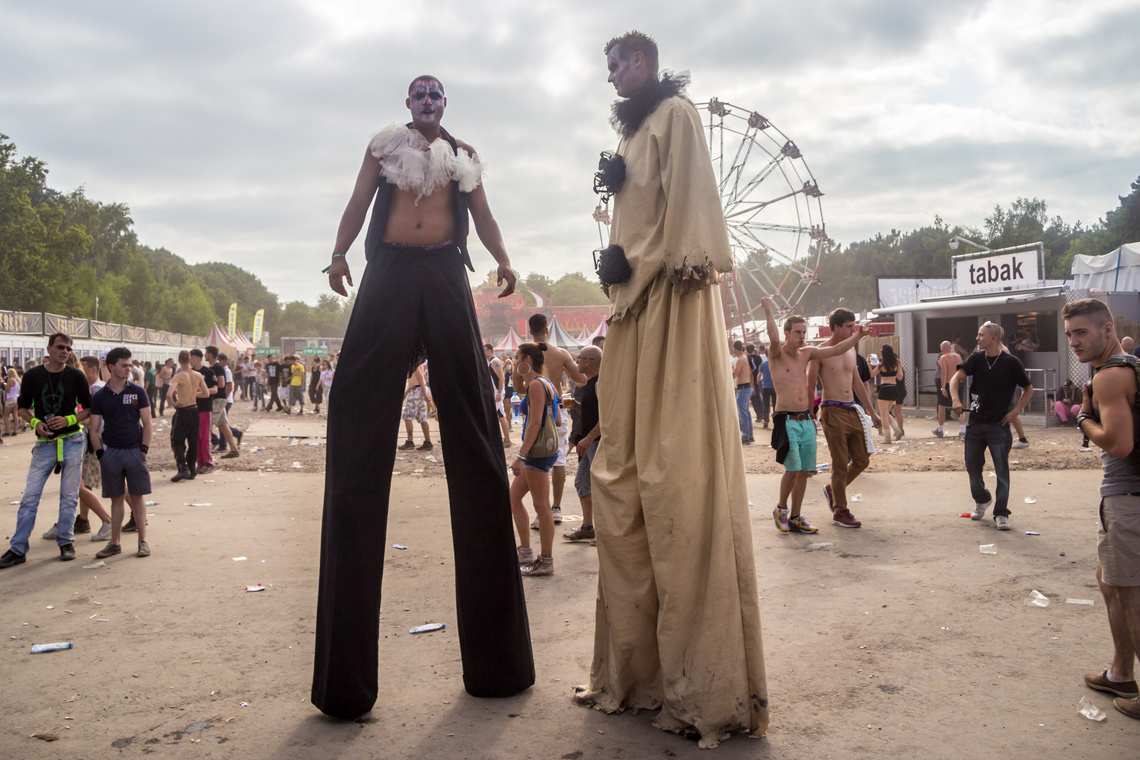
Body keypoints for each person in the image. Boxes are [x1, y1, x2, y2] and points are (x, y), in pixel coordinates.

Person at [312, 73, 534, 719]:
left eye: (436, 95)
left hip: (442, 270)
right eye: (419, 95)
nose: (428, 103)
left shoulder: (462, 156)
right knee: (356, 416)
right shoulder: (384, 147)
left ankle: (498, 667)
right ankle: (344, 684)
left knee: (471, 424)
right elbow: (358, 202)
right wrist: (337, 254)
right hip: (386, 270)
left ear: (445, 104)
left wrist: (505, 259)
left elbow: (485, 215)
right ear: (409, 104)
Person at [574, 33, 767, 746]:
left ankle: (698, 689)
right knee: (622, 481)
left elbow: (688, 204)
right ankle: (637, 674)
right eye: (608, 67)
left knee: (672, 477)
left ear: (647, 63)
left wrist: (677, 265)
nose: (613, 75)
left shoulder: (677, 114)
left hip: (671, 303)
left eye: (621, 63)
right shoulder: (635, 132)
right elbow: (639, 215)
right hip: (633, 307)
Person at [1064, 299, 1140, 720]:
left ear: (1106, 329)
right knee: (1108, 581)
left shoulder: (1110, 376)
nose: (1075, 341)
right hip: (1129, 496)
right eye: (1070, 334)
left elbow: (1119, 443)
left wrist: (1084, 418)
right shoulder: (1130, 366)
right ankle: (1120, 672)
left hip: (1127, 496)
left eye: (1082, 332)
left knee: (1129, 593)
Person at [765, 298, 869, 534]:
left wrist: (859, 335)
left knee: (804, 471)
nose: (802, 337)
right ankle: (781, 509)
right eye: (797, 333)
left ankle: (796, 516)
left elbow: (836, 349)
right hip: (787, 418)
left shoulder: (807, 353)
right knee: (792, 469)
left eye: (804, 332)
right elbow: (772, 339)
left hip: (805, 419)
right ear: (787, 333)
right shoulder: (776, 355)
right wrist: (768, 309)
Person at [0, 333, 91, 569]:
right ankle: (18, 548)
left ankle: (66, 542)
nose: (65, 352)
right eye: (61, 347)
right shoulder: (32, 376)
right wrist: (35, 423)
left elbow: (89, 410)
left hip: (72, 440)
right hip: (45, 442)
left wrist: (69, 419)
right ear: (49, 348)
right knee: (30, 497)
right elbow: (21, 407)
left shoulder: (75, 376)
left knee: (69, 496)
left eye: (69, 349)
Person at [950, 322, 1034, 530]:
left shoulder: (1011, 362)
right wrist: (955, 400)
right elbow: (955, 379)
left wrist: (1015, 412)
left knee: (1001, 469)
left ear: (993, 337)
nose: (977, 339)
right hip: (976, 423)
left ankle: (1001, 513)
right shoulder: (976, 359)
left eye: (981, 335)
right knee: (972, 466)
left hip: (999, 424)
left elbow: (1028, 389)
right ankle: (982, 499)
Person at [808, 308, 879, 528]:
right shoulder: (821, 351)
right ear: (836, 327)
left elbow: (857, 382)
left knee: (862, 459)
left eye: (854, 325)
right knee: (840, 464)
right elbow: (810, 382)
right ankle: (840, 511)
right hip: (832, 409)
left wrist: (871, 411)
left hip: (852, 409)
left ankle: (833, 489)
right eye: (849, 326)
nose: (853, 329)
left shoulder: (851, 351)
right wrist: (810, 410)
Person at [89, 347, 153, 559]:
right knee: (116, 499)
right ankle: (114, 542)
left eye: (130, 364)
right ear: (111, 367)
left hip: (134, 452)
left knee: (137, 497)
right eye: (124, 365)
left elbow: (147, 422)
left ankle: (142, 541)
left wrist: (143, 450)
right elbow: (94, 429)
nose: (129, 368)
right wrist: (101, 454)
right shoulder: (100, 396)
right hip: (111, 453)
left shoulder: (137, 391)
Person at [524, 313, 587, 525]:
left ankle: (540, 511)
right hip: (556, 409)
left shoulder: (524, 354)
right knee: (558, 459)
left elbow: (516, 388)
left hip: (533, 408)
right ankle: (556, 507)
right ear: (548, 330)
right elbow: (581, 379)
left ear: (530, 330)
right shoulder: (560, 354)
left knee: (535, 458)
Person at [509, 343, 560, 575]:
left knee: (542, 507)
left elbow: (535, 423)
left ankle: (545, 559)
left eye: (517, 357)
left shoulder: (537, 386)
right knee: (514, 498)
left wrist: (520, 455)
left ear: (526, 359)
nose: (515, 360)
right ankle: (526, 551)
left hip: (535, 453)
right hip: (540, 451)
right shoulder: (545, 383)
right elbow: (556, 421)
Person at [564, 345, 602, 544]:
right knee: (582, 483)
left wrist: (588, 438)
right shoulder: (589, 383)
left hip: (595, 442)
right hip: (588, 443)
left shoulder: (599, 383)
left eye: (579, 358)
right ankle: (588, 527)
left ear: (588, 361)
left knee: (601, 487)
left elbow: (606, 417)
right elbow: (591, 411)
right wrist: (576, 405)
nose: (576, 361)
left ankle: (605, 531)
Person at [168, 350, 208, 482]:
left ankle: (183, 467)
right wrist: (193, 394)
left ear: (179, 361)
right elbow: (206, 393)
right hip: (194, 409)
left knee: (176, 440)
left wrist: (174, 404)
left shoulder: (178, 376)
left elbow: (169, 395)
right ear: (190, 360)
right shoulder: (198, 375)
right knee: (192, 441)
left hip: (183, 410)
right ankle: (191, 470)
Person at [188, 349, 217, 474]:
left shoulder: (208, 372)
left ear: (198, 358)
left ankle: (208, 462)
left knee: (205, 437)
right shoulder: (189, 373)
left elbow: (215, 389)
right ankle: (199, 462)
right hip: (193, 408)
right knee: (196, 438)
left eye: (192, 358)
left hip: (205, 408)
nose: (191, 360)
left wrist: (202, 391)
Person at [872, 344, 904, 443]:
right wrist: (900, 365)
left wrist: (869, 363)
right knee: (886, 412)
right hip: (894, 388)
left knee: (883, 414)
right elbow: (900, 377)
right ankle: (897, 430)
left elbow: (872, 374)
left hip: (884, 388)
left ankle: (887, 438)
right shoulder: (896, 364)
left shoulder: (882, 365)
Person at [399, 362, 435, 451]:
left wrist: (425, 394)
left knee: (407, 416)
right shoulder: (418, 362)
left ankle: (410, 442)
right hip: (417, 389)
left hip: (417, 390)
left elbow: (420, 378)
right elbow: (415, 380)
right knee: (422, 417)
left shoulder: (413, 362)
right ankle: (428, 442)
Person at [934, 341, 965, 438]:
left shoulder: (943, 358)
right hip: (958, 382)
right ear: (950, 348)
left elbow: (944, 373)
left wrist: (943, 387)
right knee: (960, 406)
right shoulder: (958, 357)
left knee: (942, 406)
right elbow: (962, 370)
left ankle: (940, 429)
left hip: (948, 383)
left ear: (942, 349)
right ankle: (962, 430)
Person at [485, 343, 512, 446]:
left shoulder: (495, 362)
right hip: (494, 392)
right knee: (499, 415)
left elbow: (501, 378)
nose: (484, 353)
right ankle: (503, 438)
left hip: (497, 392)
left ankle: (505, 439)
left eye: (485, 350)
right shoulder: (490, 362)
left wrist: (499, 393)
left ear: (490, 350)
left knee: (499, 415)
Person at [732, 340, 754, 444]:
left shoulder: (740, 360)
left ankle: (745, 436)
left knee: (743, 413)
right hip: (748, 386)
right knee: (747, 412)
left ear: (735, 349)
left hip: (743, 387)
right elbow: (750, 373)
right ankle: (749, 435)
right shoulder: (746, 357)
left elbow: (734, 374)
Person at [4, 366, 20, 436]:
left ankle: (7, 431)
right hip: (16, 398)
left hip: (10, 398)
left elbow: (8, 390)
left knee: (6, 416)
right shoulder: (18, 380)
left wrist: (5, 386)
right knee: (15, 414)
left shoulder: (10, 380)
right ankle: (15, 431)